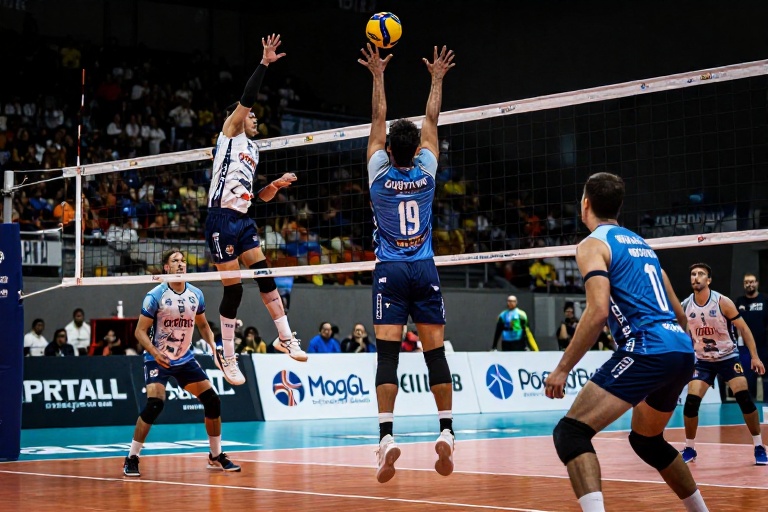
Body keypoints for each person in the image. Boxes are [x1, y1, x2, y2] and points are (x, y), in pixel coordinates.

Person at [543, 172, 708, 512]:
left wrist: (562, 369)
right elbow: (680, 314)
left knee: (570, 433)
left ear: (585, 204)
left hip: (646, 347)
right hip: (680, 349)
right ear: (618, 207)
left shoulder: (592, 245)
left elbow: (597, 311)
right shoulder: (644, 247)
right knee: (647, 441)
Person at [358, 43, 456, 484]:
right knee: (435, 353)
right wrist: (436, 79)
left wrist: (378, 74)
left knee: (387, 356)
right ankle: (447, 430)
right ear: (416, 149)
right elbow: (432, 120)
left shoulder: (378, 174)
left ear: (388, 150)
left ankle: (386, 438)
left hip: (390, 271)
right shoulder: (427, 171)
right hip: (424, 267)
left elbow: (378, 119)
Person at [205, 33, 306, 387]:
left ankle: (285, 337)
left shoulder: (254, 149)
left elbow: (257, 197)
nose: (255, 119)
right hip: (220, 218)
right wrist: (264, 62)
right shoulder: (229, 133)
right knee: (234, 291)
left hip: (243, 219)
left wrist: (274, 186)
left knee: (265, 277)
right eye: (251, 116)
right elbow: (248, 98)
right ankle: (228, 355)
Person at [123, 249, 241, 477]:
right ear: (166, 268)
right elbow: (139, 332)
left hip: (185, 358)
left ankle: (216, 455)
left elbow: (203, 325)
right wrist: (154, 352)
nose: (181, 264)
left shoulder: (196, 294)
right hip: (157, 357)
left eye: (183, 260)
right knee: (155, 404)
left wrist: (214, 347)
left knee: (212, 401)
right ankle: (132, 457)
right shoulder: (155, 295)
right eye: (175, 261)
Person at [679, 263, 766, 466]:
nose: (696, 277)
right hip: (703, 361)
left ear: (708, 280)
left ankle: (759, 446)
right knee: (691, 402)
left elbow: (744, 329)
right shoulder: (685, 305)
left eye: (701, 274)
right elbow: (681, 333)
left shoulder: (722, 302)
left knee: (744, 399)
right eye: (693, 274)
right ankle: (690, 447)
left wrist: (755, 357)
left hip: (728, 357)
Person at [735, 272, 768, 401]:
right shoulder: (739, 302)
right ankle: (751, 404)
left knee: (766, 377)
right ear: (744, 284)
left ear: (757, 283)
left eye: (752, 281)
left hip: (763, 345)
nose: (749, 284)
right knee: (748, 377)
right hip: (745, 348)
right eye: (746, 282)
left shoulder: (764, 300)